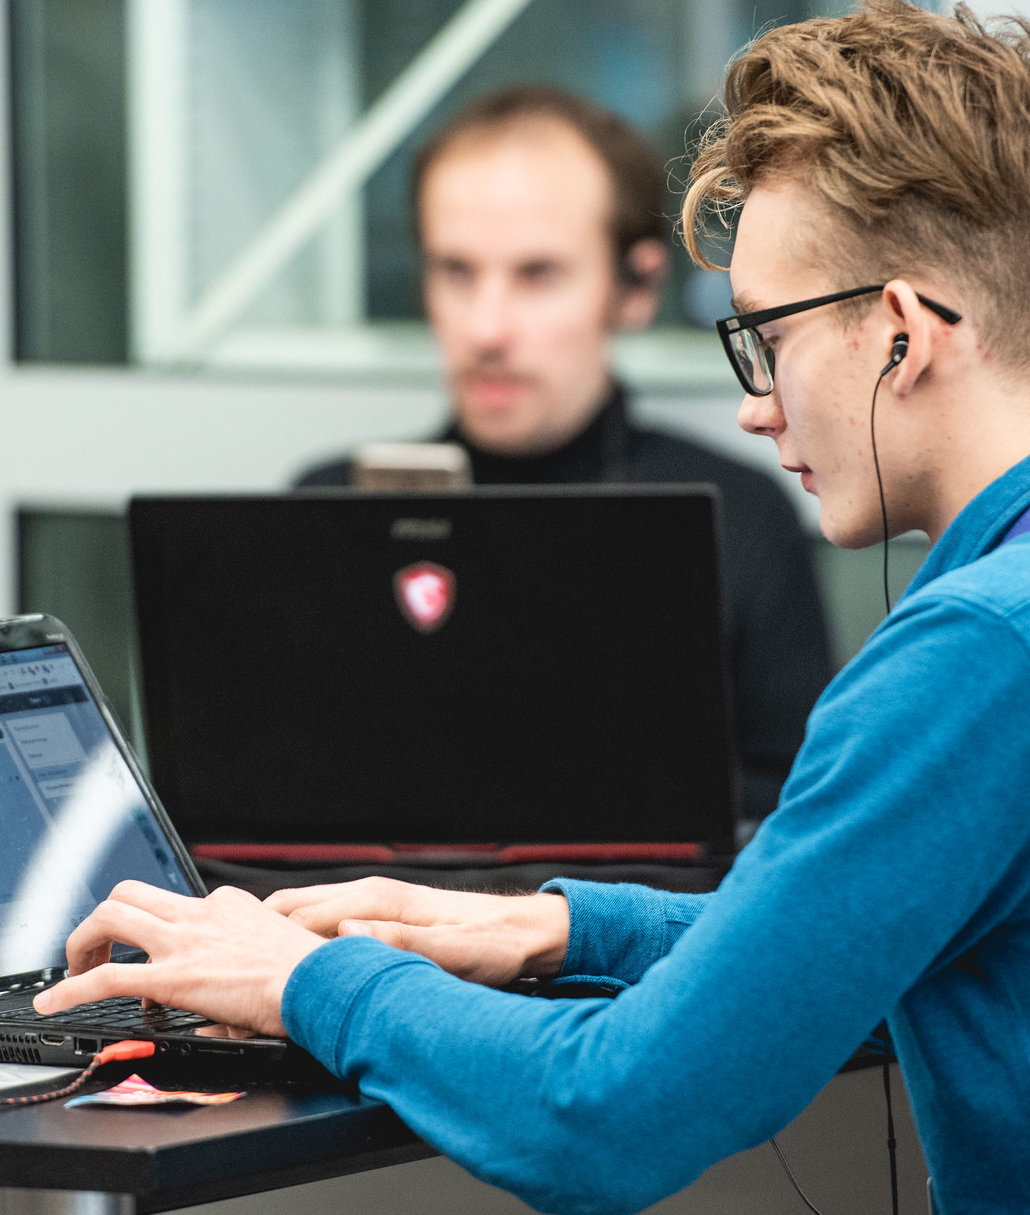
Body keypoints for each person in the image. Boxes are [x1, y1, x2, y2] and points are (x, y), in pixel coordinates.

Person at [42, 0, 1030, 1215]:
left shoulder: (989, 653)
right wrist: (552, 927)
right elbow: (858, 934)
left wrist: (310, 977)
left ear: (901, 331)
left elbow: (608, 1115)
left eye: (768, 337)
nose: (755, 403)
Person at [296, 85, 833, 822]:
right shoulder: (327, 514)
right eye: (456, 272)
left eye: (538, 275)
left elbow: (794, 810)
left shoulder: (734, 519)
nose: (486, 329)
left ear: (636, 288)